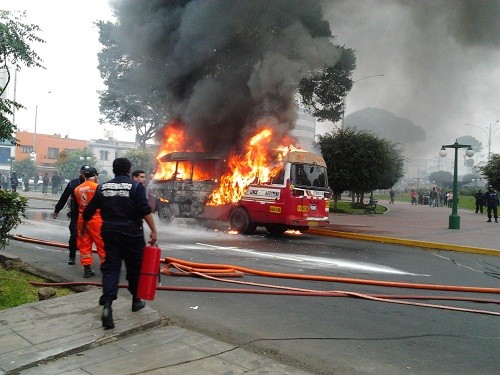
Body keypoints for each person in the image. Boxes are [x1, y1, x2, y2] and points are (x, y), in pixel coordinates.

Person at [82, 158, 157, 330]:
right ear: (129, 170)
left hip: (109, 232)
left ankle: (107, 305)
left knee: (111, 268)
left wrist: (83, 228)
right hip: (132, 233)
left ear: (114, 170)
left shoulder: (103, 187)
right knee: (134, 268)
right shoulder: (136, 187)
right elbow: (144, 211)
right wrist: (153, 230)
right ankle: (136, 300)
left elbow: (89, 211)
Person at [74, 167, 106, 278]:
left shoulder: (77, 189)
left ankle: (87, 269)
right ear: (95, 176)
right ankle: (105, 266)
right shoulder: (98, 187)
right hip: (96, 219)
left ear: (84, 176)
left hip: (82, 219)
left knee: (84, 244)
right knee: (102, 243)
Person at [52, 166, 87, 265]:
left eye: (87, 173)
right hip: (75, 213)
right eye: (83, 172)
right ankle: (72, 256)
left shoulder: (93, 184)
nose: (85, 174)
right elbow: (64, 196)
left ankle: (87, 262)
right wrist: (57, 210)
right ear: (80, 172)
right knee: (74, 234)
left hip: (89, 215)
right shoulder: (73, 183)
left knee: (88, 237)